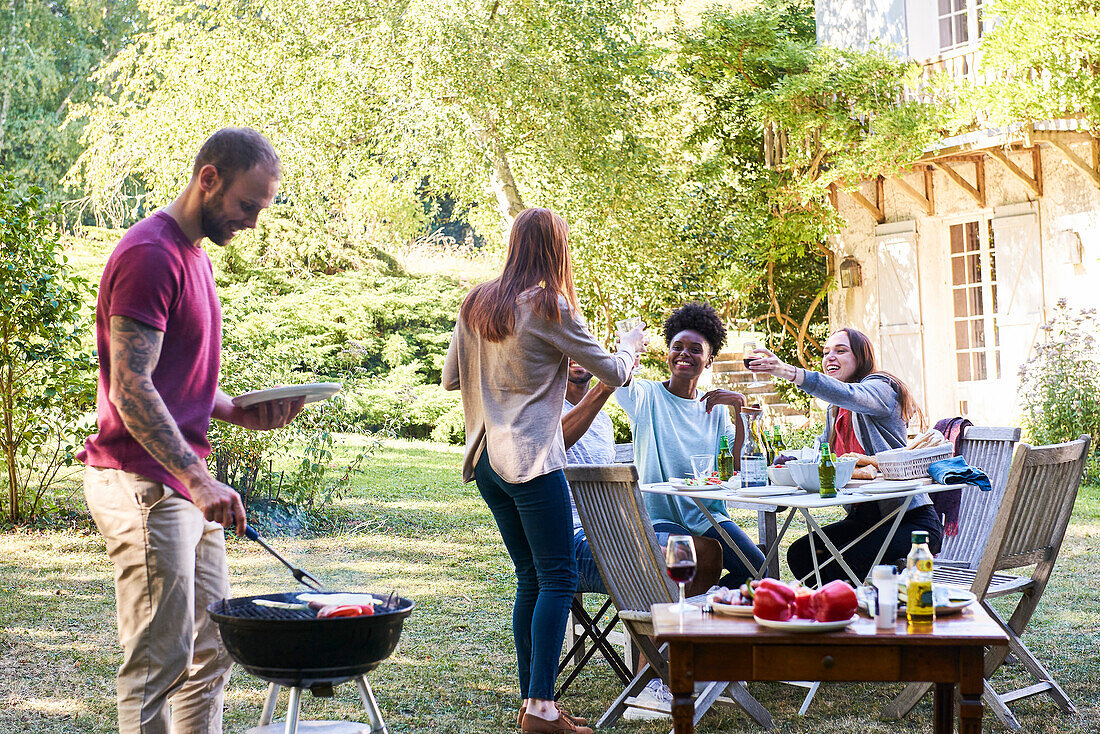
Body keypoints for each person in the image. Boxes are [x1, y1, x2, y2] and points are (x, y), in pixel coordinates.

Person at [78, 127, 305, 734]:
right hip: (146, 485)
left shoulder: (192, 255)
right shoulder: (150, 254)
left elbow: (171, 380)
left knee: (212, 651)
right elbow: (130, 387)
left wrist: (232, 409)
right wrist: (199, 479)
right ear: (208, 179)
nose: (253, 221)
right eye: (247, 205)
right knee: (159, 663)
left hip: (179, 485)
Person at [442, 207, 645, 734]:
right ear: (556, 248)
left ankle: (534, 705)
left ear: (514, 243)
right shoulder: (550, 304)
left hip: (486, 459)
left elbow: (451, 378)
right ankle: (541, 709)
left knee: (530, 576)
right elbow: (617, 373)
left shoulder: (477, 301)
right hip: (531, 460)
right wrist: (632, 344)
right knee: (558, 575)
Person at [747, 327, 944, 584]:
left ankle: (853, 615)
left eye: (841, 351)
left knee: (843, 562)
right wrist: (790, 461)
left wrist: (789, 372)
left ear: (861, 357)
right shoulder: (835, 410)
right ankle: (834, 613)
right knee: (803, 554)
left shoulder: (881, 388)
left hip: (911, 522)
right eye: (826, 352)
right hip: (865, 522)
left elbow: (853, 395)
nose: (830, 357)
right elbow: (820, 453)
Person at [596, 302, 766, 589]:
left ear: (709, 360)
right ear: (667, 354)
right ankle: (691, 624)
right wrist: (628, 348)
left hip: (709, 515)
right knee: (698, 556)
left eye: (696, 349)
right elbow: (619, 378)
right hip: (659, 519)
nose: (684, 353)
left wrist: (739, 406)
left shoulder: (715, 408)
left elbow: (738, 465)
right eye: (677, 347)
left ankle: (707, 616)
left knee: (759, 569)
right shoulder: (646, 396)